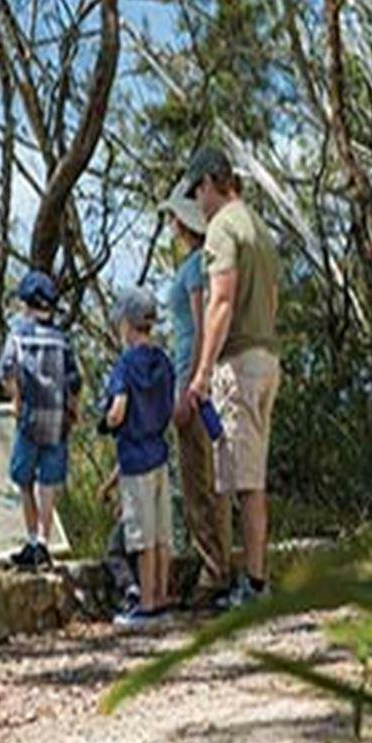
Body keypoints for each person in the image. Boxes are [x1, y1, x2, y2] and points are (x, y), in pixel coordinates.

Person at [179, 145, 281, 605]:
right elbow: (274, 300)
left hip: (237, 364)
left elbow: (220, 301)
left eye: (196, 193)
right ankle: (252, 580)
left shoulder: (222, 228)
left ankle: (253, 585)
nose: (196, 205)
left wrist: (201, 374)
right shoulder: (259, 228)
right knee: (248, 475)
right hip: (266, 360)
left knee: (243, 484)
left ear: (207, 184)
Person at [164, 192, 232, 604]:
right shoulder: (199, 264)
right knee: (208, 477)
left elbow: (204, 324)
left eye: (173, 218)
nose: (171, 225)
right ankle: (215, 565)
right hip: (196, 377)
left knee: (199, 479)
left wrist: (192, 385)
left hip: (194, 381)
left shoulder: (197, 268)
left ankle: (213, 569)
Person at [102, 286, 176, 627]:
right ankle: (161, 597)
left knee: (141, 536)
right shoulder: (164, 361)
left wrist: (107, 422)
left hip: (134, 458)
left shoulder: (125, 365)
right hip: (160, 454)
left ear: (128, 325)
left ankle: (145, 603)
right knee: (161, 535)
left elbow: (118, 410)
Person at [0, 269, 79, 569]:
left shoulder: (18, 335)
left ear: (28, 305)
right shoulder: (62, 339)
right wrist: (74, 408)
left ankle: (32, 540)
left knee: (24, 479)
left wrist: (16, 398)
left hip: (29, 419)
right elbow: (74, 379)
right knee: (49, 482)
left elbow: (7, 369)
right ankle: (44, 541)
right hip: (57, 422)